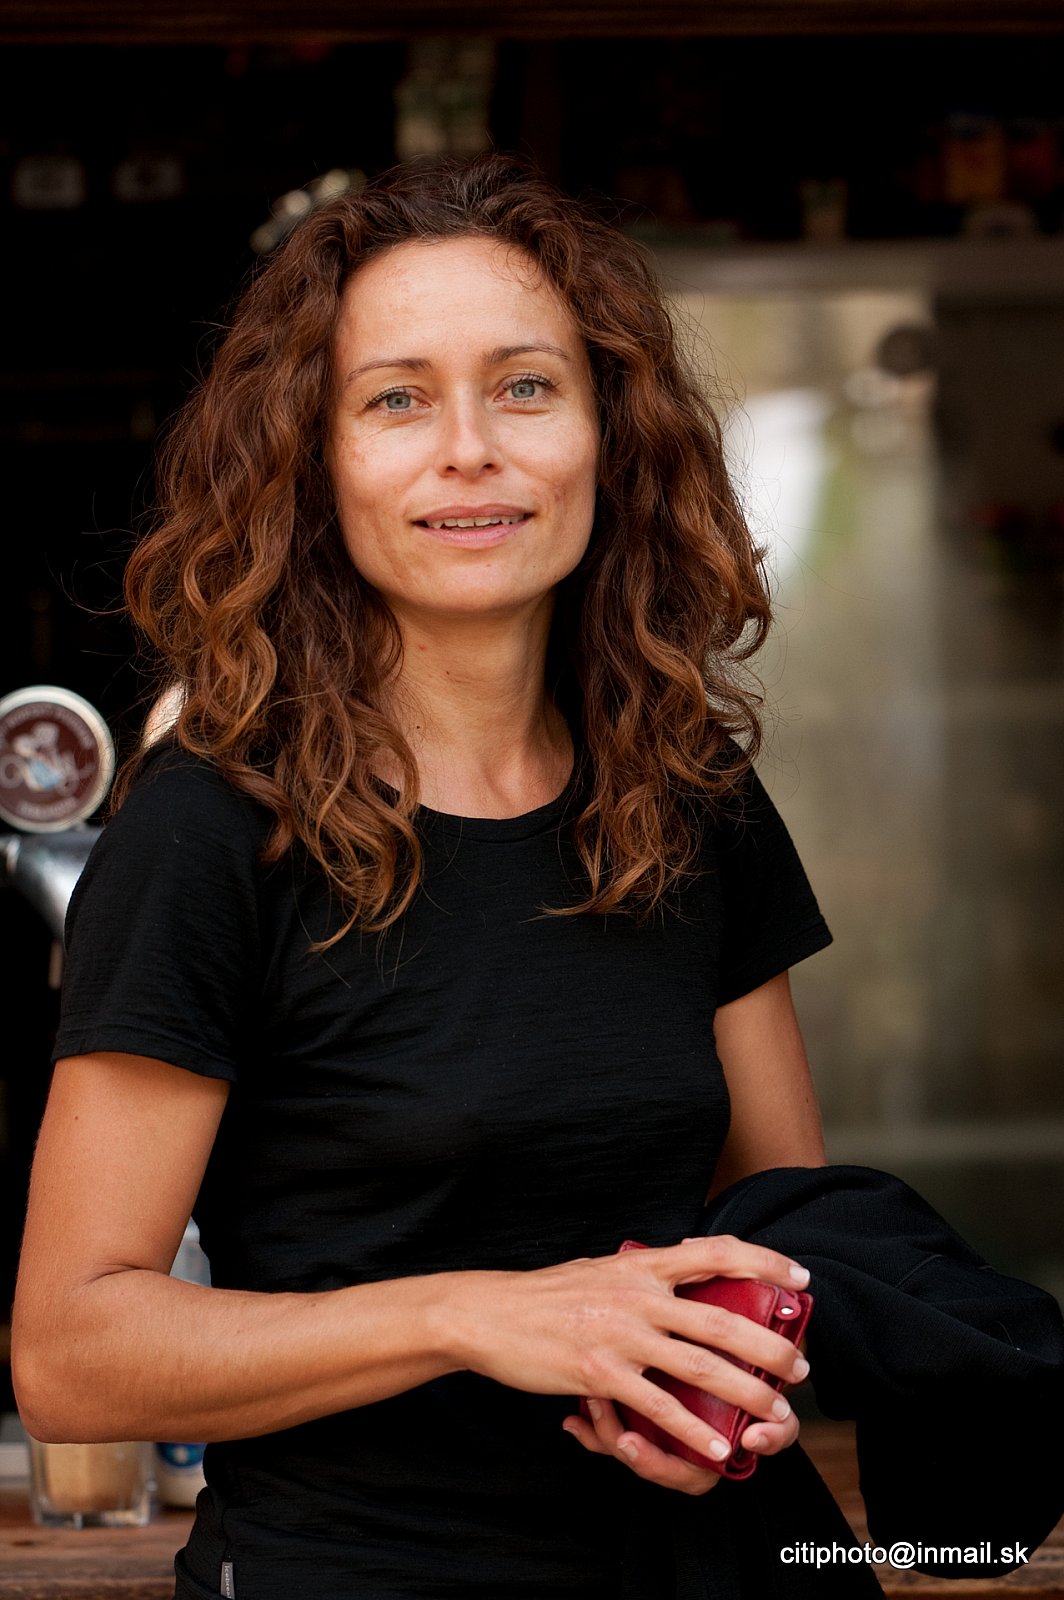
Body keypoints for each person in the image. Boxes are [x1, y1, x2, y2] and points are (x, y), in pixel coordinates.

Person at [13, 153, 837, 1599]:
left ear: (610, 435)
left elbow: (786, 1219)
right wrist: (473, 1317)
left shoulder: (683, 791)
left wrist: (740, 1378)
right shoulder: (212, 828)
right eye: (397, 400)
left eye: (527, 387)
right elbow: (74, 1357)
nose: (471, 449)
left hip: (711, 1568)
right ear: (314, 463)